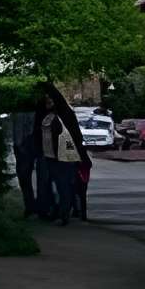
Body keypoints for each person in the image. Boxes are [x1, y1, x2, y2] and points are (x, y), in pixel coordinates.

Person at [37, 84, 90, 223]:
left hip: (65, 156)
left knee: (64, 185)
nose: (48, 102)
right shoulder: (47, 115)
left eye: (50, 100)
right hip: (51, 156)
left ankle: (64, 213)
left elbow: (75, 136)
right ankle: (59, 211)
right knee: (58, 185)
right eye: (46, 100)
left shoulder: (64, 114)